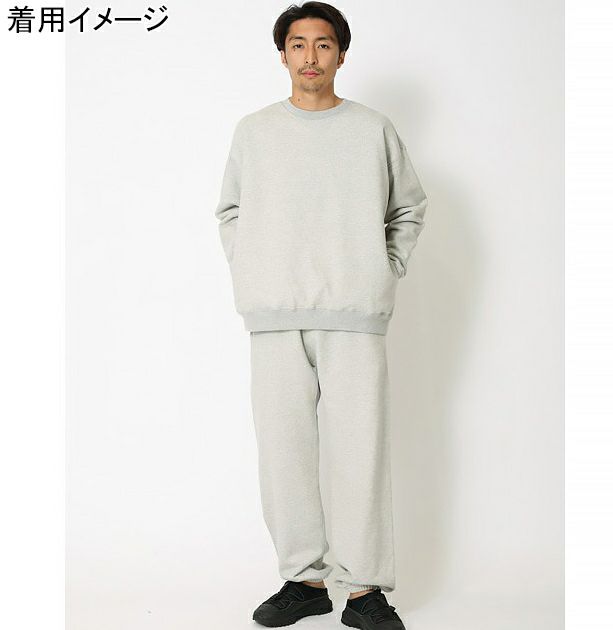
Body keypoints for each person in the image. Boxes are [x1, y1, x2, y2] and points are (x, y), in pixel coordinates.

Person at [215, 3, 428, 628]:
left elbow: (408, 208)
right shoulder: (255, 131)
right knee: (283, 453)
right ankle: (304, 580)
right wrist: (254, 271)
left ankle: (364, 591)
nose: (311, 56)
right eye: (299, 44)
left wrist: (382, 269)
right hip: (273, 316)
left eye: (324, 44)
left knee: (360, 452)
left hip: (354, 315)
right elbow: (230, 211)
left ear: (341, 54)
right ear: (282, 54)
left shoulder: (372, 129)